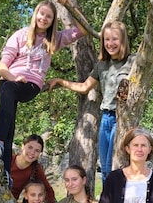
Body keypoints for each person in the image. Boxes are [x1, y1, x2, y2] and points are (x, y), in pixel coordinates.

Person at [0, 0, 85, 172]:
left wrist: (69, 5)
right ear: (35, 15)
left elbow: (83, 29)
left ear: (52, 21)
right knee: (8, 119)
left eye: (48, 16)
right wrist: (13, 77)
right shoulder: (20, 35)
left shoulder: (54, 39)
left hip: (30, 85)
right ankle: (4, 169)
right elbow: (2, 67)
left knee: (8, 93)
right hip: (11, 81)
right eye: (41, 14)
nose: (44, 18)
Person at [47, 21, 135, 182]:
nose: (110, 43)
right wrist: (61, 81)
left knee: (116, 163)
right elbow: (84, 87)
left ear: (123, 40)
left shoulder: (133, 61)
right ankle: (106, 202)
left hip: (122, 118)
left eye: (114, 39)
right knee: (106, 168)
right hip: (106, 118)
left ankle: (117, 199)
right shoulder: (102, 65)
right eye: (106, 40)